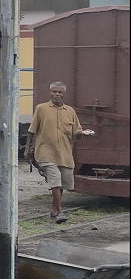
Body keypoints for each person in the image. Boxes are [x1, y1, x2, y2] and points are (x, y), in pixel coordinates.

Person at [26, 81, 96, 223]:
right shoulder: (41, 109)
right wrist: (27, 149)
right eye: (54, 92)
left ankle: (54, 209)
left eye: (60, 92)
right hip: (45, 151)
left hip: (64, 152)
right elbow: (31, 130)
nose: (57, 94)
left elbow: (76, 133)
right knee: (55, 181)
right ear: (50, 93)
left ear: (64, 94)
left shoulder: (70, 111)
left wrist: (83, 133)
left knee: (63, 182)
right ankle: (60, 212)